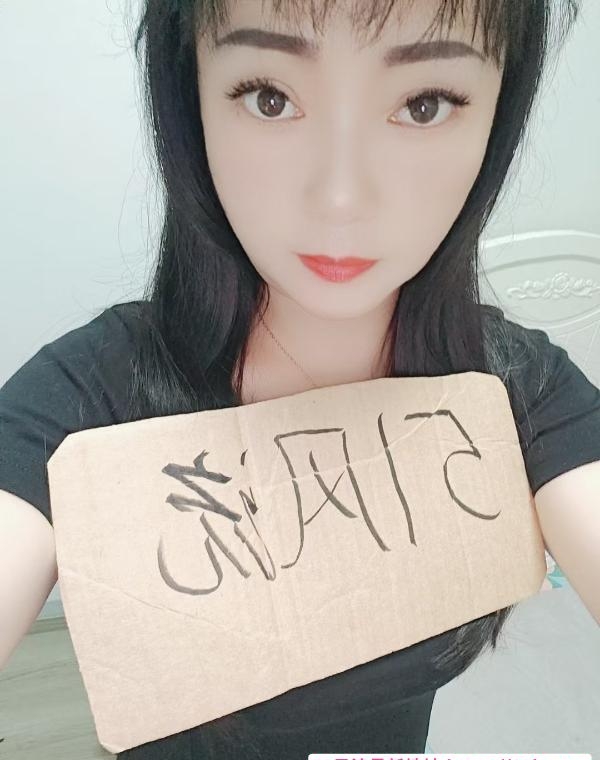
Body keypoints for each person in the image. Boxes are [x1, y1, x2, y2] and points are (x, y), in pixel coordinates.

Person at [1, 0, 598, 757]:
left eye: (424, 104)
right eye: (269, 97)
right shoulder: (84, 399)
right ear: (190, 100)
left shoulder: (520, 392)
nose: (340, 199)